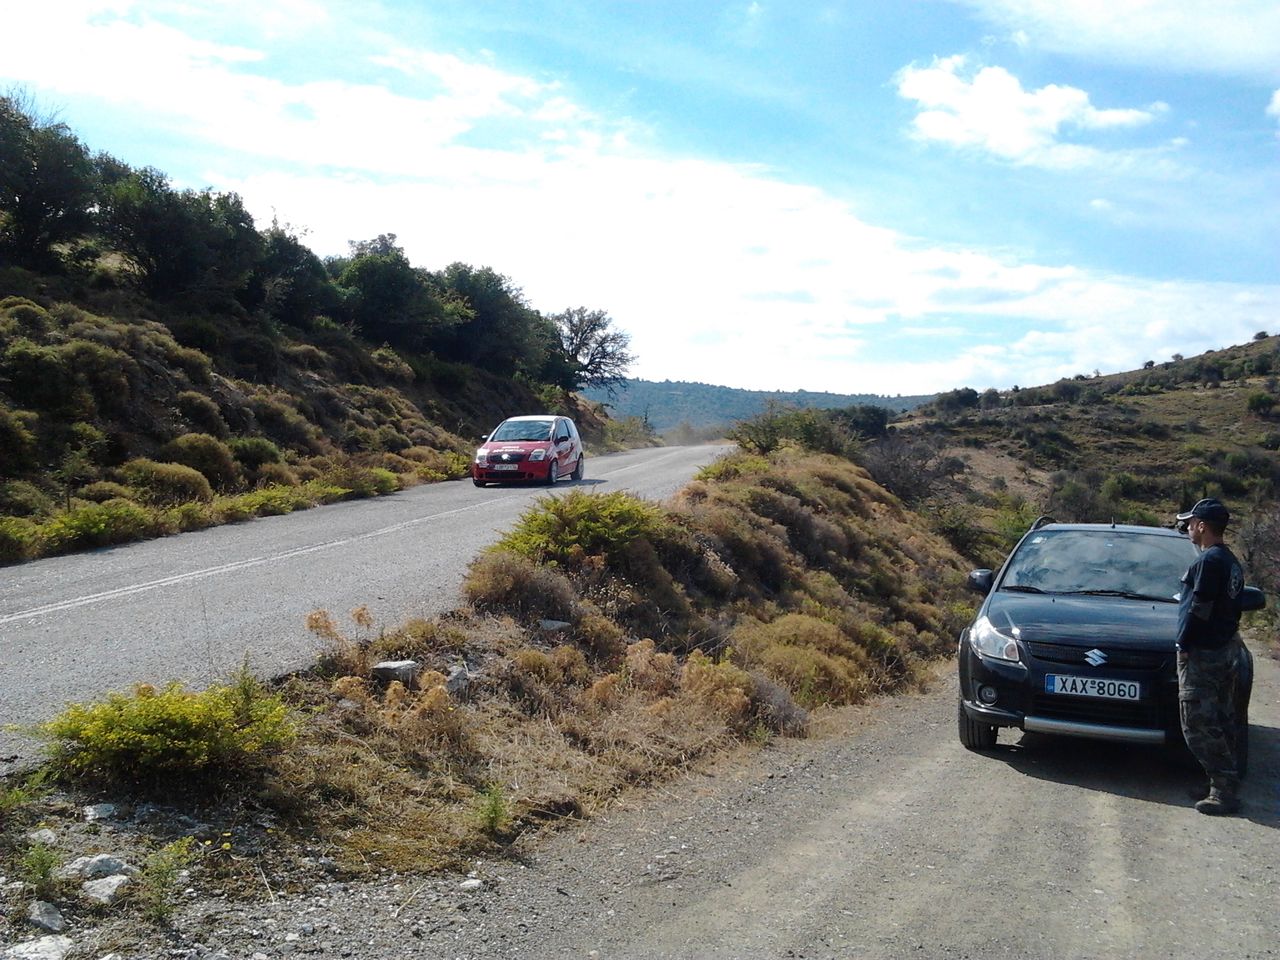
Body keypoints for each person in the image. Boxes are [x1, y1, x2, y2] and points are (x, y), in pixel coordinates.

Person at [1174, 497, 1246, 815]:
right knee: (1220, 718)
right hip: (1223, 648)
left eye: (1191, 523)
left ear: (1203, 526)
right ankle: (1217, 782)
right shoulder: (1229, 560)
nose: (1188, 527)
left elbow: (1199, 608)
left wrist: (1183, 642)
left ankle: (1223, 789)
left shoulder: (1210, 562)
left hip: (1204, 652)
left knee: (1197, 722)